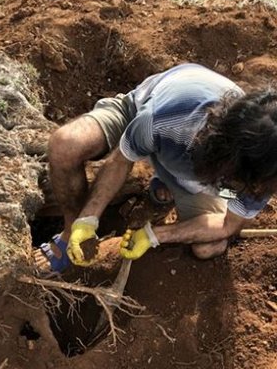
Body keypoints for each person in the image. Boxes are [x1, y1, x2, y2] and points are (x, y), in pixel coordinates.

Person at [38, 63, 276, 272]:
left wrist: (152, 236)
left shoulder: (264, 171)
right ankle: (70, 233)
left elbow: (227, 225)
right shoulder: (167, 119)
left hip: (193, 175)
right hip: (137, 116)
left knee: (209, 247)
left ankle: (169, 183)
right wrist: (87, 220)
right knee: (65, 146)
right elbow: (122, 159)